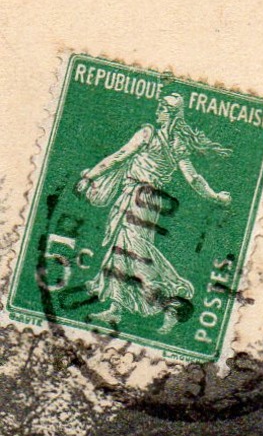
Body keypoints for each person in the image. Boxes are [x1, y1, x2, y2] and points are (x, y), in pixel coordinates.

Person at [75, 88, 232, 332]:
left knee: (135, 254)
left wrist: (90, 176)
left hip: (138, 198)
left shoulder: (148, 134)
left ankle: (170, 303)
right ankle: (116, 308)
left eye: (161, 108)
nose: (157, 111)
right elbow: (194, 179)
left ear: (170, 114)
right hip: (150, 202)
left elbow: (119, 156)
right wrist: (216, 196)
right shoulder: (178, 145)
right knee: (123, 250)